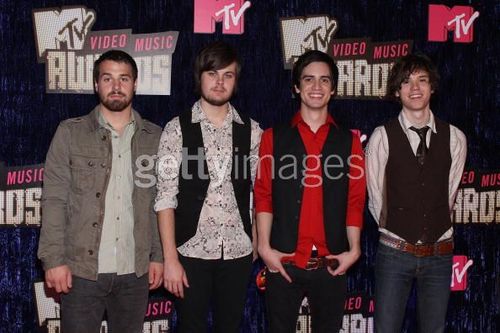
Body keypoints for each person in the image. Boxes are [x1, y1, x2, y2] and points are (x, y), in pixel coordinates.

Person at [38, 50, 164, 332]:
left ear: (135, 84)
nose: (116, 86)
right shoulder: (70, 133)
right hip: (81, 271)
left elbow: (158, 202)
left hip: (135, 271)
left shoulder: (154, 138)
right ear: (96, 84)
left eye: (124, 79)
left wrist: (158, 256)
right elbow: (54, 199)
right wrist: (53, 260)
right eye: (108, 78)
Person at [254, 50, 366, 332]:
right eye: (308, 79)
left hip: (332, 262)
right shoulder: (273, 137)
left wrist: (354, 250)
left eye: (324, 80)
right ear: (296, 87)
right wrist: (264, 248)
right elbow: (263, 193)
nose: (316, 87)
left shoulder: (349, 142)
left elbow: (355, 199)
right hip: (283, 260)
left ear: (333, 89)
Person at [154, 41, 262, 333]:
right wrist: (170, 259)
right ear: (199, 77)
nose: (219, 82)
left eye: (228, 75)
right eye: (212, 73)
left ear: (236, 81)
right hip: (190, 251)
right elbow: (165, 198)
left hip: (238, 251)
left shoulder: (252, 131)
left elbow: (261, 193)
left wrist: (256, 239)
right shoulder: (177, 129)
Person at [366, 53, 467, 332]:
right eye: (407, 82)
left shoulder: (455, 138)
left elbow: (449, 193)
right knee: (386, 328)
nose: (415, 88)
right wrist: (397, 229)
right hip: (395, 252)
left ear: (432, 87)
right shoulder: (381, 136)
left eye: (422, 80)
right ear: (397, 91)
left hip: (440, 253)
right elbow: (376, 197)